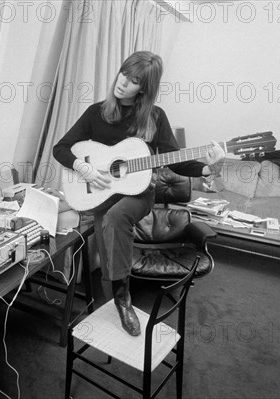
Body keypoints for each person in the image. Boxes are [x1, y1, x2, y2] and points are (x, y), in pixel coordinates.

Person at [53, 51, 224, 336]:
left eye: (133, 80)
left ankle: (123, 300)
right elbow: (61, 148)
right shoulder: (96, 112)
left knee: (117, 217)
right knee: (109, 248)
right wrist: (83, 169)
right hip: (102, 192)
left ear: (143, 87)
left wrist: (208, 168)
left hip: (140, 195)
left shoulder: (155, 117)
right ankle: (113, 303)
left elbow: (174, 158)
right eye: (123, 74)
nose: (123, 83)